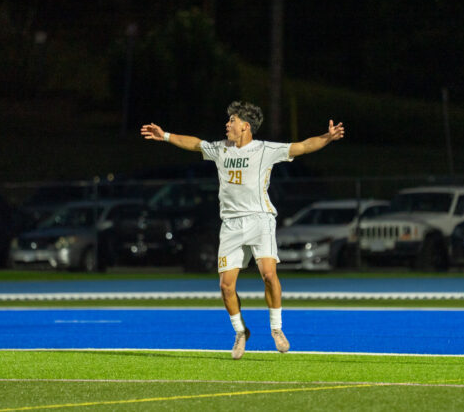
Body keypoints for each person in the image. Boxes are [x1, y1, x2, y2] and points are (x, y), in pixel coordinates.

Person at [141, 101, 345, 359]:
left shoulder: (265, 150)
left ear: (245, 126)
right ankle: (240, 332)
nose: (227, 124)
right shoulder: (220, 149)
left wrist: (327, 137)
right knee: (226, 286)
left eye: (232, 121)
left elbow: (303, 146)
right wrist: (166, 136)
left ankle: (276, 329)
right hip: (231, 225)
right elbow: (194, 143)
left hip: (260, 220)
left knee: (269, 274)